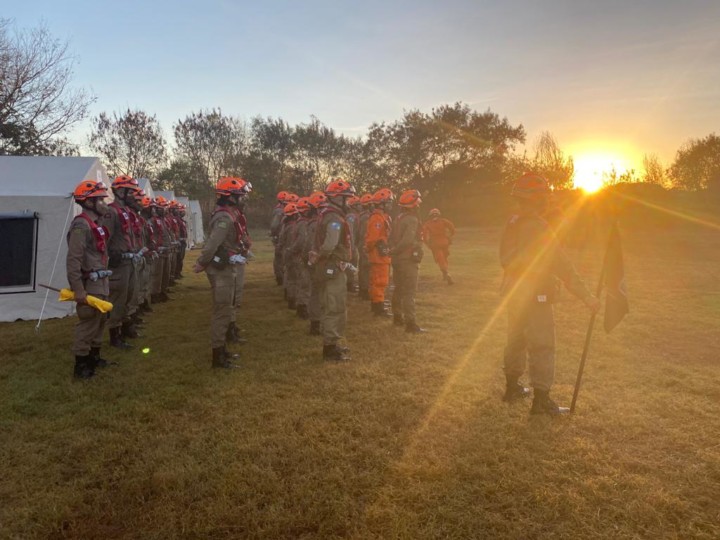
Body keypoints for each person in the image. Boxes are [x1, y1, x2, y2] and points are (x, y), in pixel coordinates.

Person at [500, 173, 600, 416]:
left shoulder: (512, 223)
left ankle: (512, 388)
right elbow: (562, 265)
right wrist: (587, 297)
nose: (547, 199)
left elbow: (505, 259)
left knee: (515, 340)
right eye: (543, 195)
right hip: (536, 296)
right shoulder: (539, 226)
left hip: (513, 293)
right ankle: (541, 401)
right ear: (536, 198)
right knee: (543, 345)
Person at [193, 177, 250, 369]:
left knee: (225, 310)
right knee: (222, 311)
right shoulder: (224, 218)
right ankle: (218, 356)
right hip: (221, 270)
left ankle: (222, 350)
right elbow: (212, 244)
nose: (243, 199)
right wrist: (201, 262)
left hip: (226, 267)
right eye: (240, 196)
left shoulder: (229, 215)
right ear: (230, 197)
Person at [66, 180, 111, 379]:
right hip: (89, 283)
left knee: (100, 320)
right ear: (89, 202)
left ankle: (94, 357)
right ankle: (81, 364)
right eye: (100, 200)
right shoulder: (80, 225)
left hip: (101, 281)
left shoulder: (95, 224)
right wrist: (78, 289)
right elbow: (74, 259)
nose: (104, 203)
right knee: (88, 323)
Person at [309, 179, 356, 361]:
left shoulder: (328, 214)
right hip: (333, 267)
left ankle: (333, 343)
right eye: (346, 198)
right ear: (337, 198)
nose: (348, 202)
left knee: (331, 305)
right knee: (334, 307)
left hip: (330, 266)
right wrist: (321, 255)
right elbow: (330, 244)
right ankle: (330, 348)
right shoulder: (334, 218)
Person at [103, 175, 140, 349]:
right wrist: (112, 256)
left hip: (129, 261)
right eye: (130, 192)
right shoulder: (111, 212)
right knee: (118, 299)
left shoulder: (125, 211)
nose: (133, 195)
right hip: (119, 263)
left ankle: (125, 327)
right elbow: (104, 239)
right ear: (119, 191)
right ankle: (114, 335)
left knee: (128, 296)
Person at [389, 189, 426, 333]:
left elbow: (392, 237)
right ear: (413, 204)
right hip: (407, 259)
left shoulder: (398, 218)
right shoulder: (412, 219)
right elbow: (407, 240)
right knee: (409, 291)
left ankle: (397, 317)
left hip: (397, 260)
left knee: (398, 288)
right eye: (417, 203)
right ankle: (411, 324)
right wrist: (397, 250)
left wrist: (393, 251)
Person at [365, 188, 394, 317]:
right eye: (388, 202)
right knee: (380, 281)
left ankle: (377, 303)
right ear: (382, 204)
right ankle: (378, 307)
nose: (390, 205)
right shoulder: (377, 218)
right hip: (379, 255)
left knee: (377, 281)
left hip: (380, 254)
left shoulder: (381, 217)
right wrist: (374, 248)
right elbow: (372, 239)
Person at [306, 191, 327, 335]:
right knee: (317, 292)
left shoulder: (316, 222)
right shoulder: (315, 224)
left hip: (317, 260)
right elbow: (310, 244)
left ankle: (317, 322)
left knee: (318, 292)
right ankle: (316, 323)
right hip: (316, 261)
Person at [422, 208, 456, 285]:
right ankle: (444, 274)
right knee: (445, 257)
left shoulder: (428, 223)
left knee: (440, 259)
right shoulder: (443, 221)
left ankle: (446, 273)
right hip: (445, 242)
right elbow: (452, 227)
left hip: (435, 244)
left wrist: (427, 243)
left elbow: (424, 234)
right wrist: (450, 235)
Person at [357, 193, 374, 301]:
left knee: (363, 267)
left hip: (361, 243)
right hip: (364, 244)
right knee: (366, 268)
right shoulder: (367, 217)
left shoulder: (361, 215)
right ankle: (365, 290)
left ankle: (362, 289)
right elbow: (365, 233)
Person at [270, 191, 290, 285]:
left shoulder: (278, 210)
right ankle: (280, 277)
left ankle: (280, 277)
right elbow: (275, 225)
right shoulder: (280, 211)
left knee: (280, 257)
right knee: (280, 257)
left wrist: (273, 234)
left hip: (281, 236)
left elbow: (274, 225)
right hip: (281, 236)